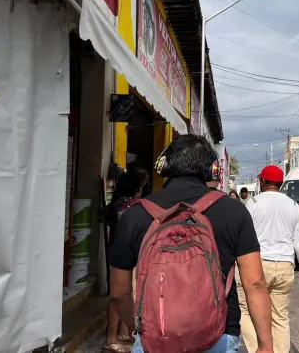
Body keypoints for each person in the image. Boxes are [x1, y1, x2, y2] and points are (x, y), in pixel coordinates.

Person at [108, 135, 273, 353]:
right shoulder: (234, 211)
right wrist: (265, 345)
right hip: (219, 336)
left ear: (164, 166)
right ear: (213, 170)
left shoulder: (135, 215)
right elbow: (255, 284)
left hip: (156, 338)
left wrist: (138, 329)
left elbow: (119, 293)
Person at [238, 165, 299, 353]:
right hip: (285, 265)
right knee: (280, 317)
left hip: (257, 265)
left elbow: (243, 237)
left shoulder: (253, 203)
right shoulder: (293, 205)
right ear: (281, 184)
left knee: (247, 311)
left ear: (262, 181)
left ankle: (259, 349)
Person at [103, 170, 144, 353]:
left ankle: (121, 333)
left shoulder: (115, 204)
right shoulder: (134, 207)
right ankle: (113, 338)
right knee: (122, 294)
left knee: (119, 293)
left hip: (115, 252)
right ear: (136, 188)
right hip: (129, 255)